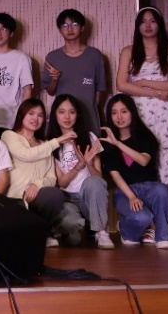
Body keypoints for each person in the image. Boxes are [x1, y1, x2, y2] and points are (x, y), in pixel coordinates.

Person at [115, 7, 168, 187]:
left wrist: (143, 82)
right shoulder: (128, 51)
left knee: (166, 158)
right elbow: (121, 85)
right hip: (138, 112)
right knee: (140, 155)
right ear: (137, 26)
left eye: (152, 21)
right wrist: (156, 92)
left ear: (159, 25)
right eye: (143, 22)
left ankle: (166, 204)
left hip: (163, 112)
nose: (147, 25)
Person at [100, 94, 168, 249]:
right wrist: (132, 196)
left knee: (163, 190)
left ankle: (164, 237)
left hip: (150, 187)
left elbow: (143, 160)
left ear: (132, 112)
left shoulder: (145, 136)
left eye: (124, 111)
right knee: (142, 217)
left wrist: (118, 144)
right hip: (124, 192)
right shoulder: (107, 143)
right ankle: (126, 229)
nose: (119, 117)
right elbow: (115, 176)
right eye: (114, 113)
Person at [2, 99, 75, 247]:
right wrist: (57, 141)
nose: (35, 118)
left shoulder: (45, 144)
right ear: (21, 115)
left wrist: (37, 185)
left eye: (40, 115)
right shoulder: (9, 135)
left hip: (36, 197)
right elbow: (26, 154)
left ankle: (44, 231)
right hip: (14, 198)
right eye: (31, 113)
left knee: (55, 194)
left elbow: (51, 177)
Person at [49, 94, 112, 248]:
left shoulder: (90, 137)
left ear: (77, 115)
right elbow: (62, 182)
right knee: (74, 240)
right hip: (67, 199)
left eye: (71, 112)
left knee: (94, 181)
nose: (67, 117)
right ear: (55, 114)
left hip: (88, 197)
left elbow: (99, 178)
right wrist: (79, 165)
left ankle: (101, 231)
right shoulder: (51, 143)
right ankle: (80, 228)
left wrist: (89, 163)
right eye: (62, 112)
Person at [42, 9, 107, 132]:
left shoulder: (94, 55)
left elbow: (100, 89)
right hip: (63, 120)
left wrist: (90, 110)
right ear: (59, 29)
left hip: (89, 118)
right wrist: (54, 80)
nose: (70, 29)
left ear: (82, 28)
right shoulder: (52, 57)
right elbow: (50, 91)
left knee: (90, 144)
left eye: (74, 24)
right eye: (65, 25)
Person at [0, 12, 34, 134]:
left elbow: (27, 91)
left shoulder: (21, 58)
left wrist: (21, 119)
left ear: (11, 33)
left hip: (11, 121)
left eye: (4, 29)